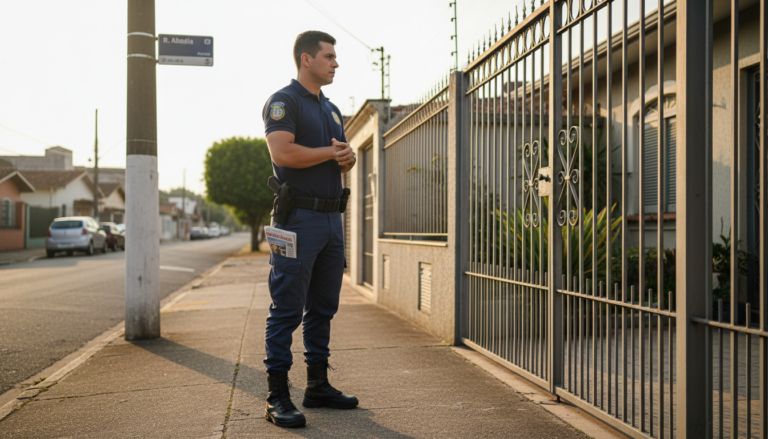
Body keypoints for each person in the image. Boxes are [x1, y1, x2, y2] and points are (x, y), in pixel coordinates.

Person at [261, 30, 357, 428]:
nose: (335, 63)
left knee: (323, 307)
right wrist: (332, 153)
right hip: (297, 220)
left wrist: (347, 158)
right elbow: (282, 152)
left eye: (335, 57)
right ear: (306, 59)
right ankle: (276, 395)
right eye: (329, 56)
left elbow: (341, 160)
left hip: (332, 219)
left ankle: (317, 385)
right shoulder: (283, 102)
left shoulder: (332, 109)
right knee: (286, 308)